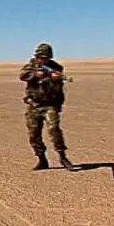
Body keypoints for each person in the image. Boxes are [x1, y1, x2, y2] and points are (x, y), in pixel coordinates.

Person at [19, 42, 74, 170]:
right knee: (34, 134)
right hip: (34, 105)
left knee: (54, 130)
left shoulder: (56, 68)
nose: (43, 60)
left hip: (50, 105)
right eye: (40, 57)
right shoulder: (31, 66)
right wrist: (34, 75)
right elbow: (22, 76)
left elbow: (59, 89)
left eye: (45, 58)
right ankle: (42, 159)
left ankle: (63, 157)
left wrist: (55, 79)